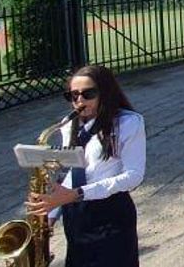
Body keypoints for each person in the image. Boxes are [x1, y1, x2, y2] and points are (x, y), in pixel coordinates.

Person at [27, 65, 145, 267]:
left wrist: (78, 193)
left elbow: (134, 176)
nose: (79, 101)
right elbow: (70, 172)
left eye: (88, 94)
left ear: (105, 93)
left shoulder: (128, 123)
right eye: (73, 96)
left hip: (111, 214)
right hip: (76, 217)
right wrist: (50, 212)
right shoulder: (68, 124)